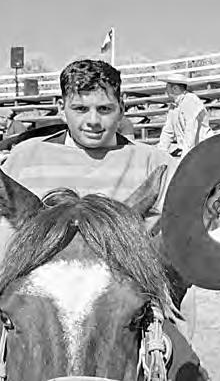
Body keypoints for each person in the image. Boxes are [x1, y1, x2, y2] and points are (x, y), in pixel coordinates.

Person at [1, 59, 202, 376]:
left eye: (104, 109)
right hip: (37, 310)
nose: (93, 121)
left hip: (127, 312)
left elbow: (190, 228)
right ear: (61, 108)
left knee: (186, 368)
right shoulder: (24, 159)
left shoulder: (153, 162)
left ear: (122, 108)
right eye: (80, 109)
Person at [157, 73, 213, 157]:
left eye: (167, 88)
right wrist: (160, 153)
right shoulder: (173, 107)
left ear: (175, 88)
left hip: (203, 148)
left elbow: (191, 131)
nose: (166, 92)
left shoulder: (191, 100)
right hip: (189, 149)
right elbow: (167, 132)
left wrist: (185, 157)